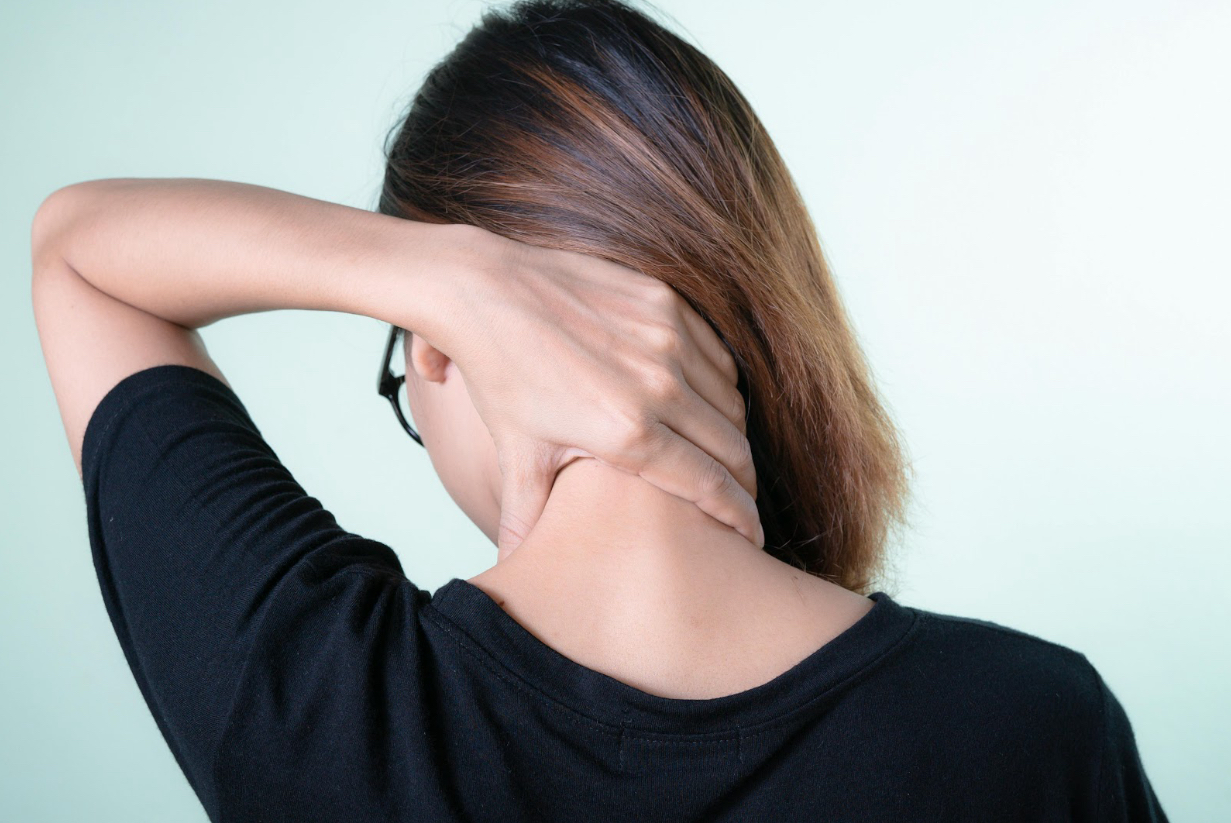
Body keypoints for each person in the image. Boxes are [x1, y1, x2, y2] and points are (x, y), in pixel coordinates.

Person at [31, 0, 1168, 820]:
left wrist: (443, 276)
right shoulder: (1030, 728)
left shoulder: (322, 705)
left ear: (435, 352)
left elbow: (76, 253)